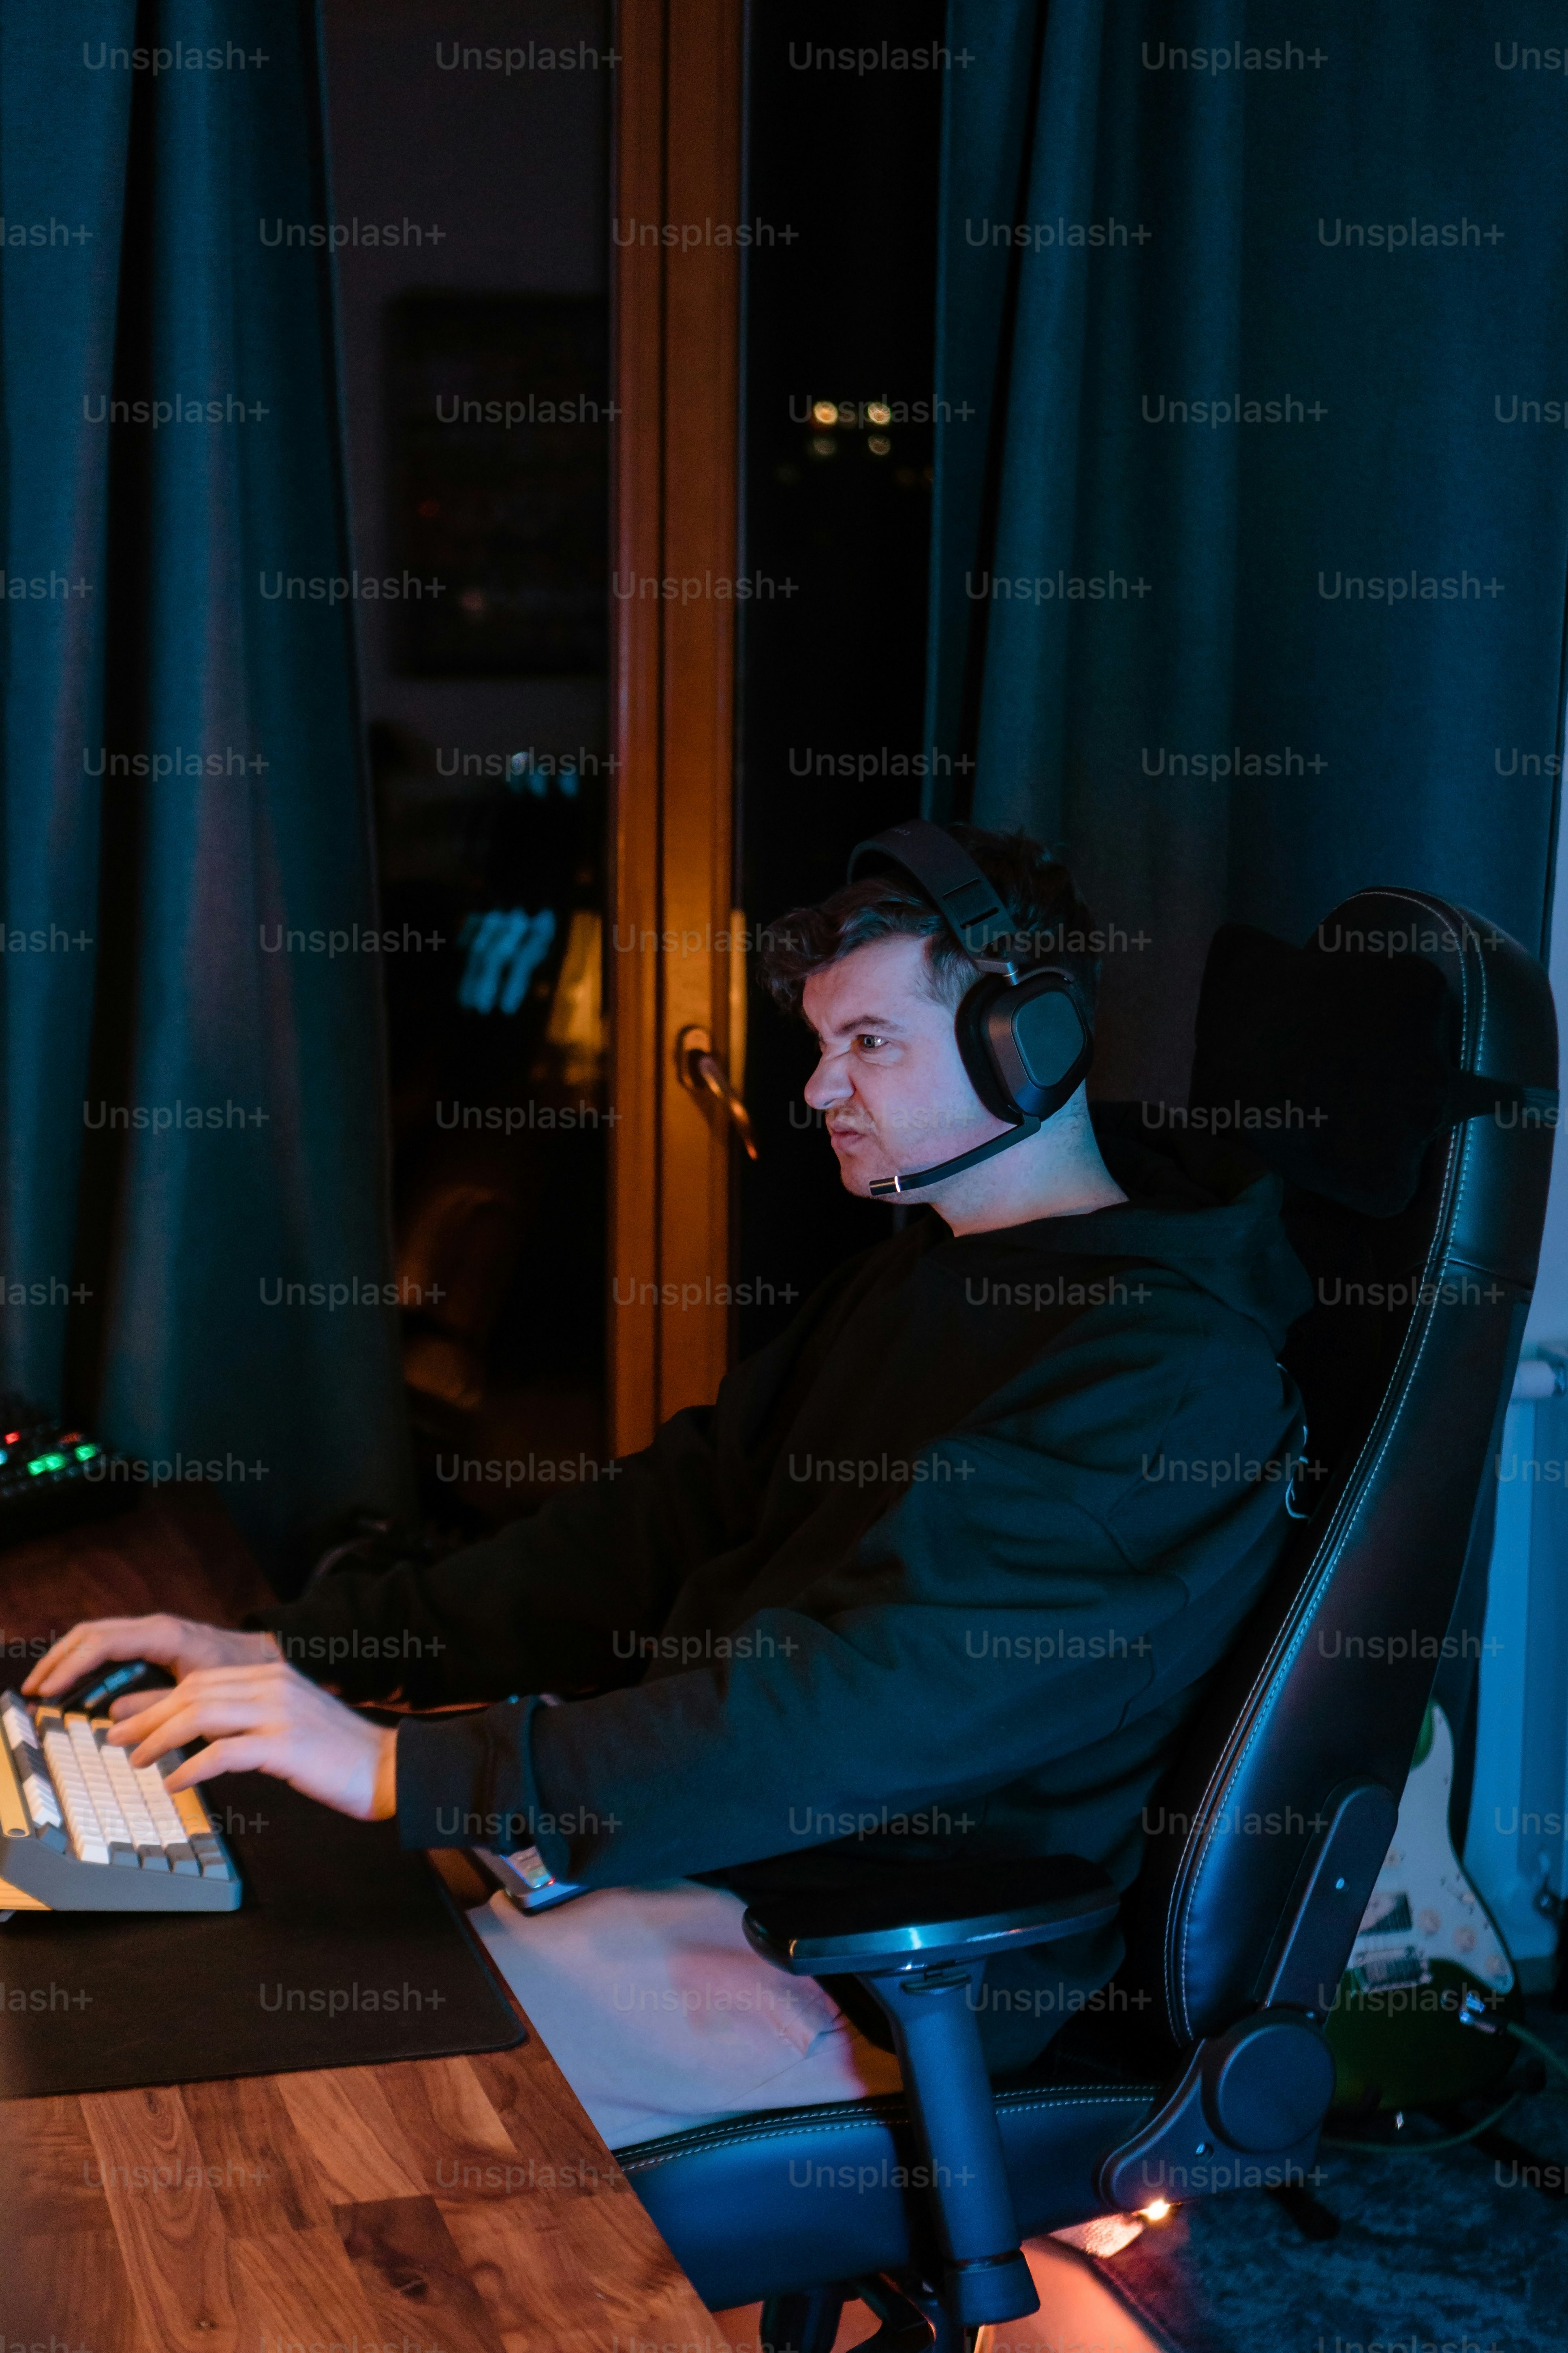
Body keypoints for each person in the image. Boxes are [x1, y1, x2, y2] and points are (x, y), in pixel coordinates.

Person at [26, 822, 1312, 2149]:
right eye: (823, 1048)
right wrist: (298, 1652)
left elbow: (849, 1717)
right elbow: (648, 1529)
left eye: (869, 1042)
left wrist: (422, 1774)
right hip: (718, 1859)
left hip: (877, 1961)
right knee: (165, 1950)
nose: (820, 1091)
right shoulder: (928, 1274)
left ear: (1026, 1043)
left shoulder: (1167, 1378)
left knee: (289, 2109)